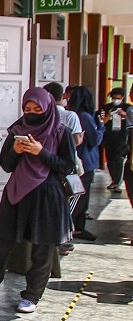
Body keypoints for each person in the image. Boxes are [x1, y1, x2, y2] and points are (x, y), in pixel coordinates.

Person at [0, 87, 76, 314]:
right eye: (27, 109)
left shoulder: (60, 132)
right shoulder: (17, 130)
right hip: (17, 192)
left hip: (48, 195)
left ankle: (32, 295)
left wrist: (40, 151)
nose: (32, 113)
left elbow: (68, 166)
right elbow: (6, 164)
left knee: (42, 248)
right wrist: (15, 150)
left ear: (48, 108)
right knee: (2, 242)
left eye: (37, 109)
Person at [67, 86, 103, 241]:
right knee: (80, 197)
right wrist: (101, 126)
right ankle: (73, 228)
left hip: (77, 160)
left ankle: (77, 227)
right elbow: (95, 140)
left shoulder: (72, 115)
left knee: (79, 195)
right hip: (86, 162)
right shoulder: (85, 117)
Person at [99, 87, 130, 191]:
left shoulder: (127, 108)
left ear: (122, 97)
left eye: (118, 98)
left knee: (118, 158)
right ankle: (113, 179)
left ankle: (117, 181)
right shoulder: (106, 107)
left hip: (122, 136)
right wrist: (109, 114)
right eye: (113, 98)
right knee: (110, 158)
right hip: (109, 135)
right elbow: (102, 121)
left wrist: (124, 115)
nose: (115, 100)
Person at [44, 82, 82, 148]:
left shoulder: (42, 115)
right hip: (65, 154)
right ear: (63, 96)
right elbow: (77, 141)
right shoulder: (71, 115)